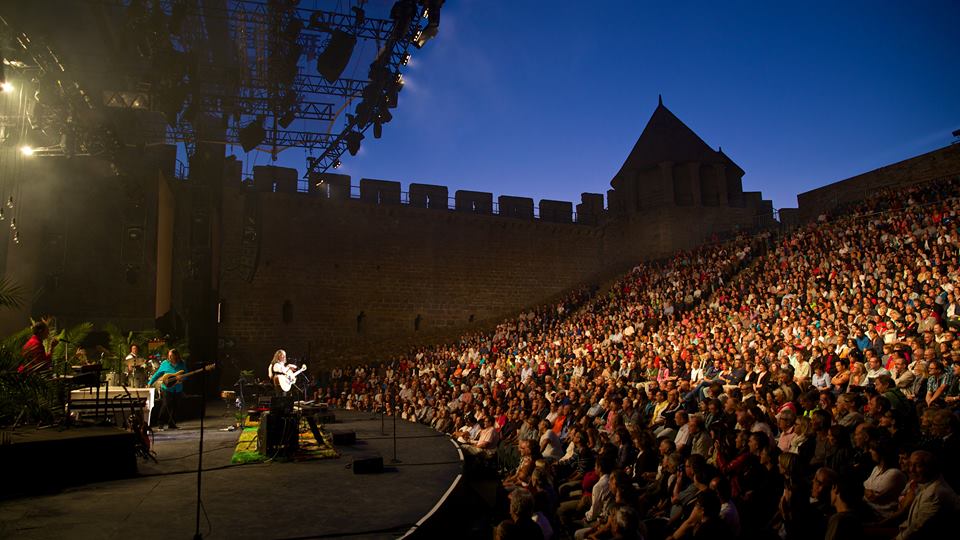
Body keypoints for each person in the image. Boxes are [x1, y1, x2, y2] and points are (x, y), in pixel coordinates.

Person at [147, 349, 187, 430]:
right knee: (165, 405)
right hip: (167, 388)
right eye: (169, 355)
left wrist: (182, 379)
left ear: (176, 356)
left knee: (175, 406)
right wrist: (149, 383)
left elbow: (186, 374)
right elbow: (157, 374)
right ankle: (160, 424)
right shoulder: (165, 363)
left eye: (171, 355)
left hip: (178, 388)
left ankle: (172, 424)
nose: (169, 357)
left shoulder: (181, 363)